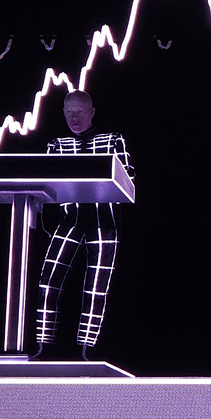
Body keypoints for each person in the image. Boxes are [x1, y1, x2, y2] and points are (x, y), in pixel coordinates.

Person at [32, 89, 132, 359]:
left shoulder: (112, 140)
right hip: (69, 220)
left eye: (78, 112)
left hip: (104, 221)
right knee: (49, 281)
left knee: (97, 287)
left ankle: (88, 350)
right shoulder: (57, 144)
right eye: (69, 113)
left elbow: (128, 178)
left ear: (91, 113)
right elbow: (44, 180)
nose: (73, 118)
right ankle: (43, 346)